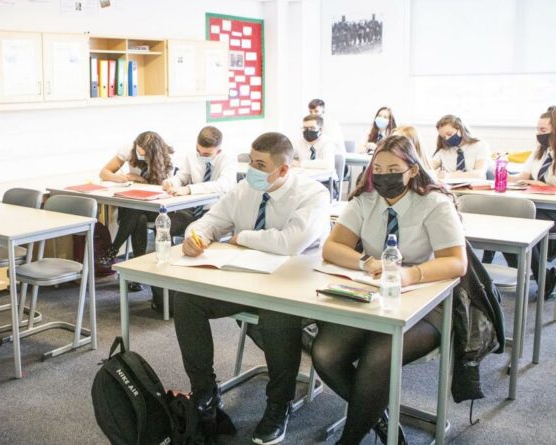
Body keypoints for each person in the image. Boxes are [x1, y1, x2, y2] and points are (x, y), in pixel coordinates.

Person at [174, 132, 331, 445]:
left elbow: (290, 242)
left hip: (291, 285)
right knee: (186, 299)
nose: (252, 170)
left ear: (283, 169)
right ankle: (205, 392)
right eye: (251, 161)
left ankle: (279, 405)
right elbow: (211, 220)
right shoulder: (244, 189)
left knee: (277, 313)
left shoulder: (313, 194)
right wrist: (197, 236)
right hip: (244, 280)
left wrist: (241, 237)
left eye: (260, 165)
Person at [313, 135, 467, 445]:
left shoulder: (434, 203)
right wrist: (366, 262)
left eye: (394, 170)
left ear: (413, 170)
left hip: (427, 301)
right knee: (325, 354)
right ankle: (378, 417)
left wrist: (410, 274)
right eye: (378, 170)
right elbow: (332, 247)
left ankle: (349, 440)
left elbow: (456, 262)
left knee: (379, 356)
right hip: (374, 297)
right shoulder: (365, 200)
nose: (384, 177)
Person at [504, 105, 556, 298]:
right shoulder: (540, 150)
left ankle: (542, 275)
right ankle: (541, 274)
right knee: (509, 219)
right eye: (538, 129)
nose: (539, 134)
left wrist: (541, 185)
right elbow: (525, 174)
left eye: (543, 130)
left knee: (526, 223)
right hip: (540, 205)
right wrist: (505, 176)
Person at [99, 131, 186, 290]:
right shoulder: (129, 149)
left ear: (153, 154)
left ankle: (113, 250)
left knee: (137, 211)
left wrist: (140, 180)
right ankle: (136, 276)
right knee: (139, 217)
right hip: (133, 207)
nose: (139, 155)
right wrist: (119, 178)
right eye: (138, 151)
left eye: (143, 154)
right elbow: (104, 172)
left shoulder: (168, 158)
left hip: (157, 208)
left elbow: (164, 188)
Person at [163, 126, 237, 219]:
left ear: (218, 151)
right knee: (169, 221)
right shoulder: (192, 154)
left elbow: (222, 185)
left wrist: (189, 189)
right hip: (193, 206)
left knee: (198, 227)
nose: (200, 155)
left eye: (206, 154)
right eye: (198, 151)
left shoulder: (228, 158)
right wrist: (171, 182)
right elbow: (182, 177)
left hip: (218, 209)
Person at [295, 114, 345, 199]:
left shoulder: (327, 142)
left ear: (320, 130)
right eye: (305, 128)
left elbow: (327, 164)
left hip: (325, 182)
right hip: (305, 181)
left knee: (311, 197)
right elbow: (288, 157)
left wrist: (301, 164)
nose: (307, 131)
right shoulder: (298, 141)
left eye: (312, 128)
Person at [431, 115, 490, 180]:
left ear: (460, 130)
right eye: (444, 137)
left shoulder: (480, 145)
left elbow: (479, 173)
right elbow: (428, 167)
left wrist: (450, 176)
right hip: (450, 186)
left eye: (449, 134)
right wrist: (435, 173)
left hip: (475, 185)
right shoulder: (443, 150)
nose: (447, 139)